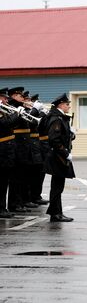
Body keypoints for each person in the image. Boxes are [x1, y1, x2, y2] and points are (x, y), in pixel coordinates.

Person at [43, 93, 76, 222]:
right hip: (57, 156)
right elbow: (54, 140)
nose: (68, 106)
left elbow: (62, 136)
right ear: (61, 105)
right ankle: (55, 213)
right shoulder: (56, 119)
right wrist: (65, 153)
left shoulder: (60, 118)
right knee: (57, 187)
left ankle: (56, 212)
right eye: (67, 104)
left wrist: (71, 134)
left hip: (59, 156)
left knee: (58, 186)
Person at [0, 87, 19, 218]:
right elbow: (4, 124)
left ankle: (3, 207)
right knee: (1, 181)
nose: (7, 100)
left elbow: (13, 126)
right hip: (2, 150)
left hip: (7, 150)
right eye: (4, 97)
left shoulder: (4, 110)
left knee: (4, 181)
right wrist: (16, 114)